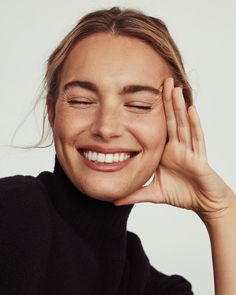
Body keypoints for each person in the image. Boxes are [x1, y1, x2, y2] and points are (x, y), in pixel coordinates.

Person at [0, 6, 235, 295]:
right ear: (52, 112)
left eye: (138, 105)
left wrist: (222, 210)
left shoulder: (150, 285)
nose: (106, 127)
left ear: (175, 121)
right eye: (82, 101)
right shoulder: (10, 211)